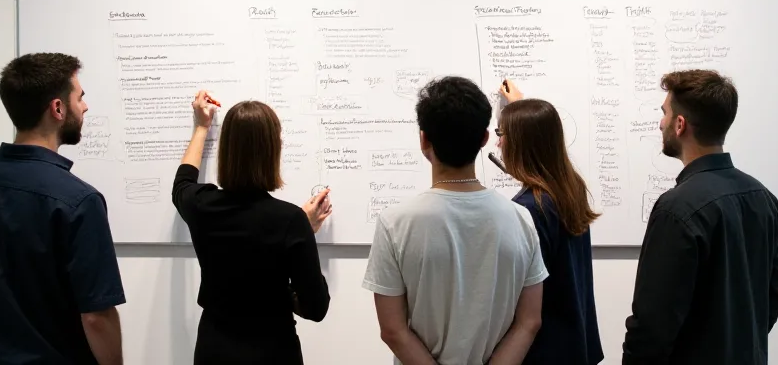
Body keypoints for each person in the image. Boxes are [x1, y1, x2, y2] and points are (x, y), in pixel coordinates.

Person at [0, 52, 125, 364]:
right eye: (80, 96)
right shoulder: (80, 201)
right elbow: (96, 317)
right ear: (58, 108)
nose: (86, 106)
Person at [363, 76, 548, 365]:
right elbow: (529, 322)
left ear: (424, 139)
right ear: (485, 138)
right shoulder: (520, 219)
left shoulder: (395, 223)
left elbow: (393, 330)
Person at [622, 69, 778, 365]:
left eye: (664, 113)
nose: (661, 123)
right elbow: (772, 298)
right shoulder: (764, 198)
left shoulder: (676, 209)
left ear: (680, 124)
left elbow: (651, 326)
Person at [173, 91, 333, 365]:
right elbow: (316, 308)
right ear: (273, 150)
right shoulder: (291, 220)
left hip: (215, 350)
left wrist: (201, 127)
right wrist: (304, 231)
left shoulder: (201, 206)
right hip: (274, 351)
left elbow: (182, 184)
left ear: (227, 148)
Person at [497, 80, 604, 365]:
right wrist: (519, 108)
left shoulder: (529, 210)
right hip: (574, 345)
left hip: (542, 351)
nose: (498, 142)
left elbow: (518, 301)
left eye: (502, 133)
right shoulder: (569, 189)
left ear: (522, 142)